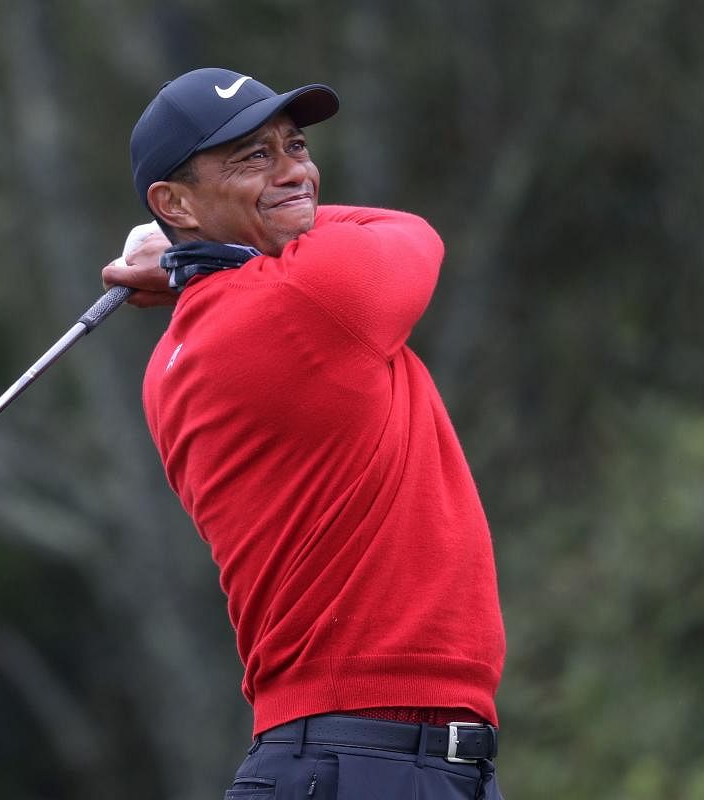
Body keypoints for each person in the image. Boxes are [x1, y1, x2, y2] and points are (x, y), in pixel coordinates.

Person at [102, 68, 506, 800]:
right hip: (371, 764)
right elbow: (410, 233)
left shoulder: (172, 359)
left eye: (295, 147)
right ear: (172, 202)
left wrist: (196, 253)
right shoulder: (306, 299)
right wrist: (190, 255)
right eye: (252, 158)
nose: (295, 172)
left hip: (365, 760)